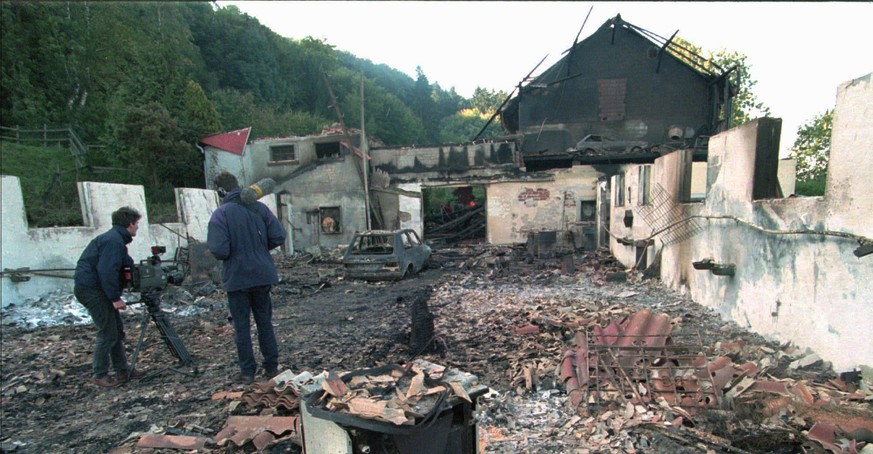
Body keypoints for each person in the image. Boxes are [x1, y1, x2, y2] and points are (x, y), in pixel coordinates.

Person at [207, 172, 287, 384]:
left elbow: (219, 250)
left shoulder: (220, 214)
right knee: (264, 323)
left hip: (237, 277)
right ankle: (271, 367)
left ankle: (247, 373)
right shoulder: (260, 208)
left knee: (242, 327)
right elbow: (278, 236)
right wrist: (259, 250)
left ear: (221, 191)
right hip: (262, 274)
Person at [73, 206, 145, 388]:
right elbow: (107, 271)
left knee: (116, 330)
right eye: (137, 224)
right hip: (93, 290)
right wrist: (115, 298)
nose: (137, 227)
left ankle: (122, 370)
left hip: (97, 289)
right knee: (107, 332)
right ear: (130, 224)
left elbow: (121, 264)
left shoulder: (115, 240)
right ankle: (100, 374)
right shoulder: (113, 241)